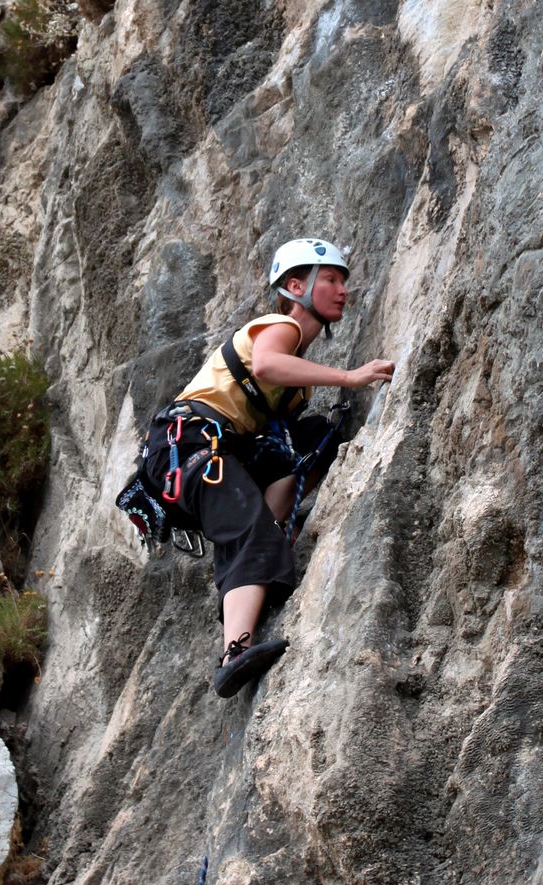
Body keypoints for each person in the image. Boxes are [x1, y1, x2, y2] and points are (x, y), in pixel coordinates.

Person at [142, 237, 394, 697]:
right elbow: (264, 364)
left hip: (213, 451)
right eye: (331, 280)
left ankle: (269, 532)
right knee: (249, 529)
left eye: (344, 282)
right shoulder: (281, 327)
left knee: (318, 436)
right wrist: (349, 377)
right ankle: (234, 654)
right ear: (296, 286)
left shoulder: (298, 388)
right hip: (190, 445)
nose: (343, 291)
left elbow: (285, 449)